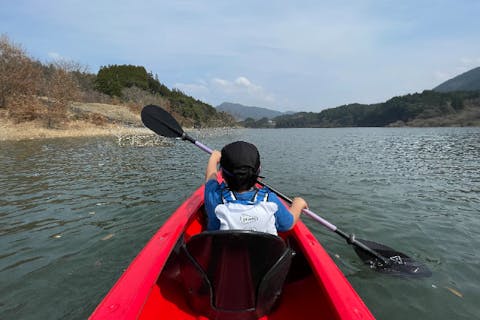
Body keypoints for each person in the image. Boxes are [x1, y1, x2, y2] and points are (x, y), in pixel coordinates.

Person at [204, 141, 308, 235]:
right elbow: (287, 225)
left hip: (228, 255)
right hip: (264, 256)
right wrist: (298, 204)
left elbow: (210, 178)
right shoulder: (270, 200)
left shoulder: (215, 197)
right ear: (259, 171)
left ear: (221, 173)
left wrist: (213, 158)